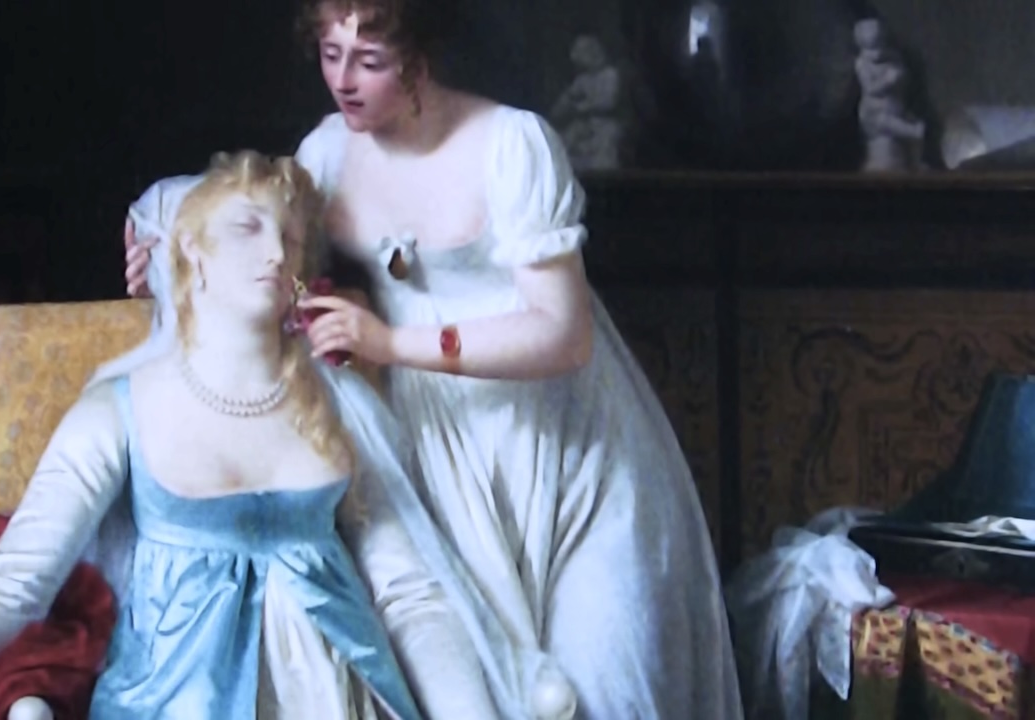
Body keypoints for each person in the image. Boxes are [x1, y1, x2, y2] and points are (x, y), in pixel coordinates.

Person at [123, 2, 743, 717]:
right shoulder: (325, 155)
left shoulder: (511, 144)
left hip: (566, 449)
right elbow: (268, 263)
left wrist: (391, 344)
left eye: (370, 61)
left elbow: (563, 336)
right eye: (330, 54)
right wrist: (172, 261)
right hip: (434, 459)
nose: (343, 80)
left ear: (419, 58)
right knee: (485, 685)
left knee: (605, 684)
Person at [0, 151, 536, 720]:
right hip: (174, 701)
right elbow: (9, 587)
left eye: (290, 236)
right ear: (191, 247)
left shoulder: (343, 406)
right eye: (247, 227)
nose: (275, 252)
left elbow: (410, 597)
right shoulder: (120, 409)